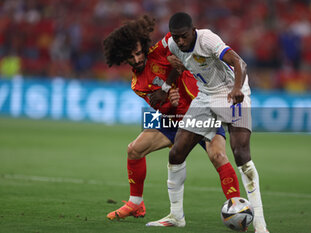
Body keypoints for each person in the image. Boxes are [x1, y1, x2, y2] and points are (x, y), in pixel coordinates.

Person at [102, 15, 241, 222]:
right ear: (123, 58)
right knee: (134, 150)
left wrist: (169, 82)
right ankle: (136, 203)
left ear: (144, 47)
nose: (138, 59)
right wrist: (169, 103)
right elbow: (161, 107)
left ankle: (237, 209)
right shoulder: (137, 84)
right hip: (175, 119)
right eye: (131, 57)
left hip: (202, 110)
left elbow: (179, 46)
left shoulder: (159, 51)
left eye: (139, 53)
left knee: (218, 156)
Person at [146, 12, 269, 233]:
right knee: (176, 153)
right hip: (204, 98)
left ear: (192, 30)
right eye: (175, 37)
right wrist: (165, 89)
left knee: (240, 153)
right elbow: (178, 68)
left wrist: (238, 88)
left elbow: (239, 62)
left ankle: (260, 225)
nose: (179, 41)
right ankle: (176, 216)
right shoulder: (175, 47)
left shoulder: (207, 39)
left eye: (183, 36)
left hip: (231, 94)